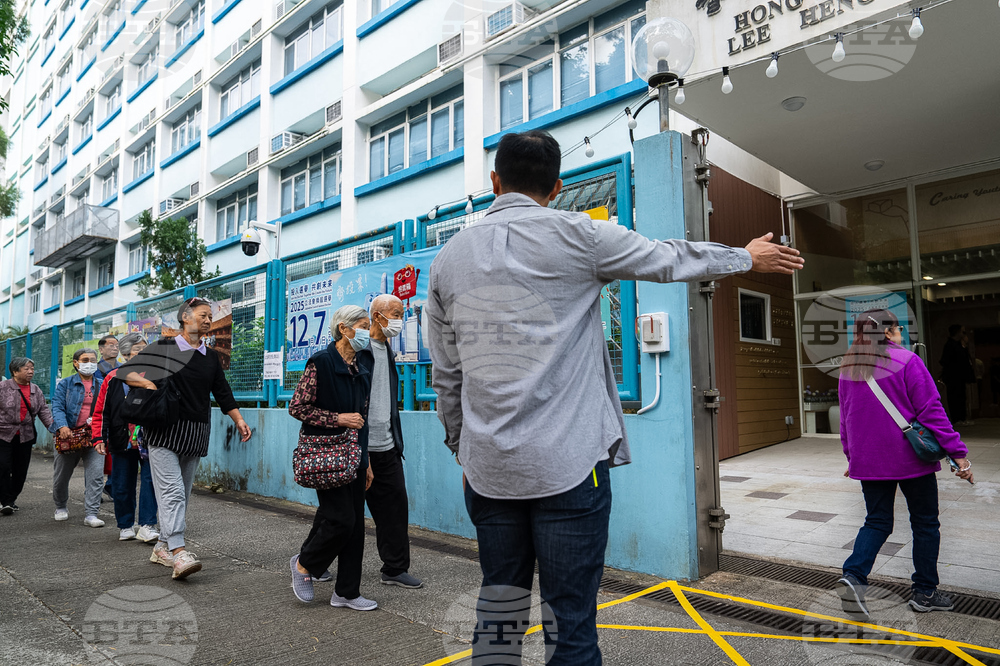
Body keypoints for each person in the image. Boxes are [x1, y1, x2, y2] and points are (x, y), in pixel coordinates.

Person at [425, 130, 805, 664]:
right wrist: (743, 258)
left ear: (494, 181)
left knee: (500, 609)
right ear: (556, 187)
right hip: (573, 466)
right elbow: (666, 258)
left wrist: (462, 445)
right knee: (572, 620)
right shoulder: (578, 235)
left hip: (489, 470)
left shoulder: (448, 258)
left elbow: (448, 373)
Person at [836, 309, 973, 619]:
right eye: (899, 330)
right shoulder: (909, 361)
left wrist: (851, 456)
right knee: (925, 523)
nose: (902, 335)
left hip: (869, 460)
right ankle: (925, 592)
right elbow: (932, 411)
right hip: (911, 459)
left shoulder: (849, 368)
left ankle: (854, 578)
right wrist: (958, 454)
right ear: (887, 333)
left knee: (877, 520)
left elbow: (846, 419)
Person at [121, 297, 252, 580]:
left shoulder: (211, 356)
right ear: (185, 317)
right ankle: (179, 553)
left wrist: (238, 419)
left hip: (194, 432)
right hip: (163, 430)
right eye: (203, 315)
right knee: (172, 492)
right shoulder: (165, 347)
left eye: (210, 316)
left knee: (183, 493)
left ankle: (162, 546)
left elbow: (222, 391)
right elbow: (126, 372)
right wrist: (147, 381)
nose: (208, 320)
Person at [288, 305, 377, 611]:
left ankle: (347, 592)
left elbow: (362, 421)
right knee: (341, 520)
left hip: (353, 456)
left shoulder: (362, 372)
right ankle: (304, 564)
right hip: (326, 456)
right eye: (363, 325)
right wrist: (338, 418)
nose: (367, 331)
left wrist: (366, 462)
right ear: (344, 329)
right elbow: (298, 407)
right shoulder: (321, 363)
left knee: (355, 526)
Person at [362, 294, 422, 589]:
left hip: (387, 446)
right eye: (395, 313)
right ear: (377, 316)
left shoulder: (387, 350)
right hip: (358, 446)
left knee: (395, 508)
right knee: (340, 514)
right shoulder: (358, 349)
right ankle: (312, 562)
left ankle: (395, 568)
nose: (399, 318)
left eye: (402, 313)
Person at [91, 332, 159, 543]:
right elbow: (101, 411)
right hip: (122, 439)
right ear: (127, 353)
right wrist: (99, 438)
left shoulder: (157, 374)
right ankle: (125, 525)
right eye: (139, 349)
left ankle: (147, 524)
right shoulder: (112, 377)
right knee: (122, 484)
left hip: (151, 439)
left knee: (150, 482)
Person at [51, 349, 105, 527]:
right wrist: (62, 426)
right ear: (75, 363)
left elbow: (108, 410)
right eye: (85, 360)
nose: (89, 363)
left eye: (93, 360)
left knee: (96, 476)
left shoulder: (102, 383)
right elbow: (57, 406)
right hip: (69, 436)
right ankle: (60, 506)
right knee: (61, 476)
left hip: (94, 437)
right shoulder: (65, 384)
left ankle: (91, 514)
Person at [0, 358, 57, 515]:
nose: (31, 371)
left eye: (32, 368)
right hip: (3, 433)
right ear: (15, 371)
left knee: (20, 470)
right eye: (26, 368)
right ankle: (4, 500)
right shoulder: (3, 387)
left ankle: (10, 500)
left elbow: (44, 411)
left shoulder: (35, 390)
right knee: (3, 466)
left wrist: (55, 430)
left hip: (25, 435)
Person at [939, 324, 974, 426]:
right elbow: (946, 361)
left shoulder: (958, 345)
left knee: (961, 397)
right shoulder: (950, 345)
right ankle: (957, 418)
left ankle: (961, 418)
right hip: (954, 377)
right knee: (955, 397)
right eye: (962, 332)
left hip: (959, 376)